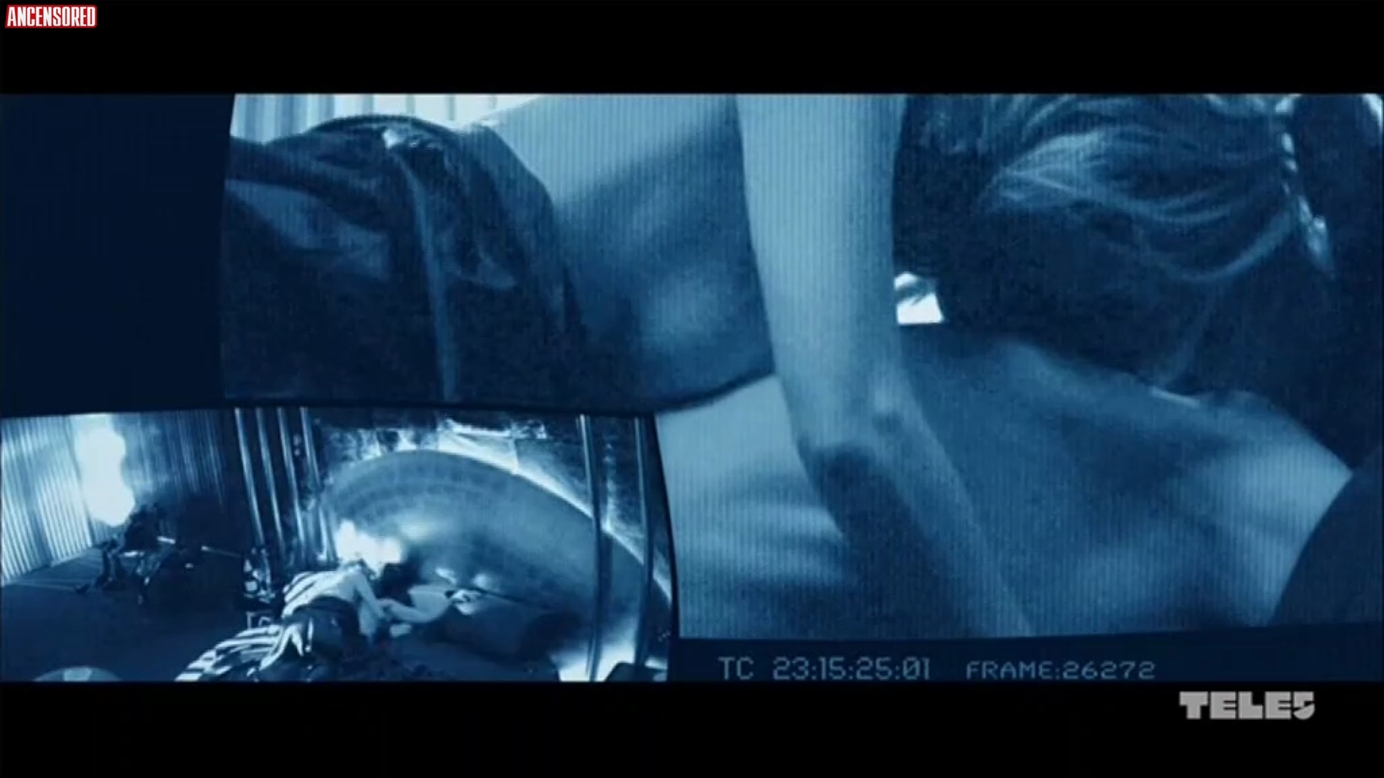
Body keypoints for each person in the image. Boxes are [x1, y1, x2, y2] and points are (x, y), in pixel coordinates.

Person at [487, 94, 1379, 639]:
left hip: (507, 416)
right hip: (428, 269)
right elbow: (853, 435)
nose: (1138, 374)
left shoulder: (897, 260)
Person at [254, 559, 392, 681]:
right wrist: (386, 626)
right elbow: (375, 608)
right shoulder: (355, 574)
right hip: (333, 617)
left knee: (280, 660)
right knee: (333, 663)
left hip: (302, 615)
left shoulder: (322, 579)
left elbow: (291, 604)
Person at [76, 505, 162, 595]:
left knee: (111, 560)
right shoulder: (143, 525)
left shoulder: (142, 526)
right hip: (135, 550)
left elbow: (129, 541)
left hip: (138, 551)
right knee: (110, 558)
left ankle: (105, 580)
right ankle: (101, 581)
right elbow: (126, 539)